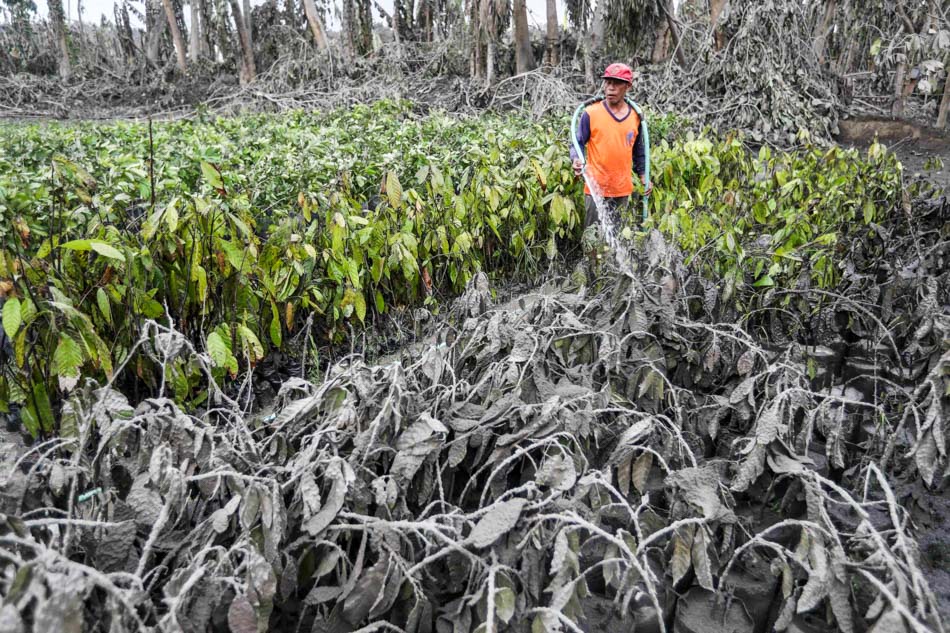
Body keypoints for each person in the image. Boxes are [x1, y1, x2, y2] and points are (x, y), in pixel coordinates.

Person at [570, 63, 652, 231]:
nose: (610, 88)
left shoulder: (635, 117)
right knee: (593, 239)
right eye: (608, 82)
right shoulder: (591, 113)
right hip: (595, 189)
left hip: (621, 189)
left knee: (619, 237)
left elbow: (638, 151)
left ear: (628, 86)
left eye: (616, 83)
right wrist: (576, 158)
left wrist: (644, 175)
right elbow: (577, 142)